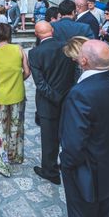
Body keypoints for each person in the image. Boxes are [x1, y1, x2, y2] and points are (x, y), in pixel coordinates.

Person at [59, 40, 109, 217]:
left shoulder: (80, 93)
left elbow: (74, 143)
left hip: (87, 173)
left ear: (83, 61)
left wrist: (66, 163)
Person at [28, 21, 76, 185]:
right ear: (52, 31)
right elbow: (74, 73)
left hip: (48, 102)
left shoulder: (35, 53)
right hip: (68, 97)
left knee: (49, 139)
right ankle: (68, 165)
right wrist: (65, 95)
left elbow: (40, 83)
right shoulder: (66, 47)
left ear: (36, 34)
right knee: (69, 134)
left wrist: (55, 97)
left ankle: (50, 171)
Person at [0, 23, 30, 176]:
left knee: (0, 128)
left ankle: (2, 161)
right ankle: (15, 155)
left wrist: (0, 80)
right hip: (17, 93)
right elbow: (27, 71)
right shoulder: (19, 49)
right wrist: (17, 79)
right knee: (16, 126)